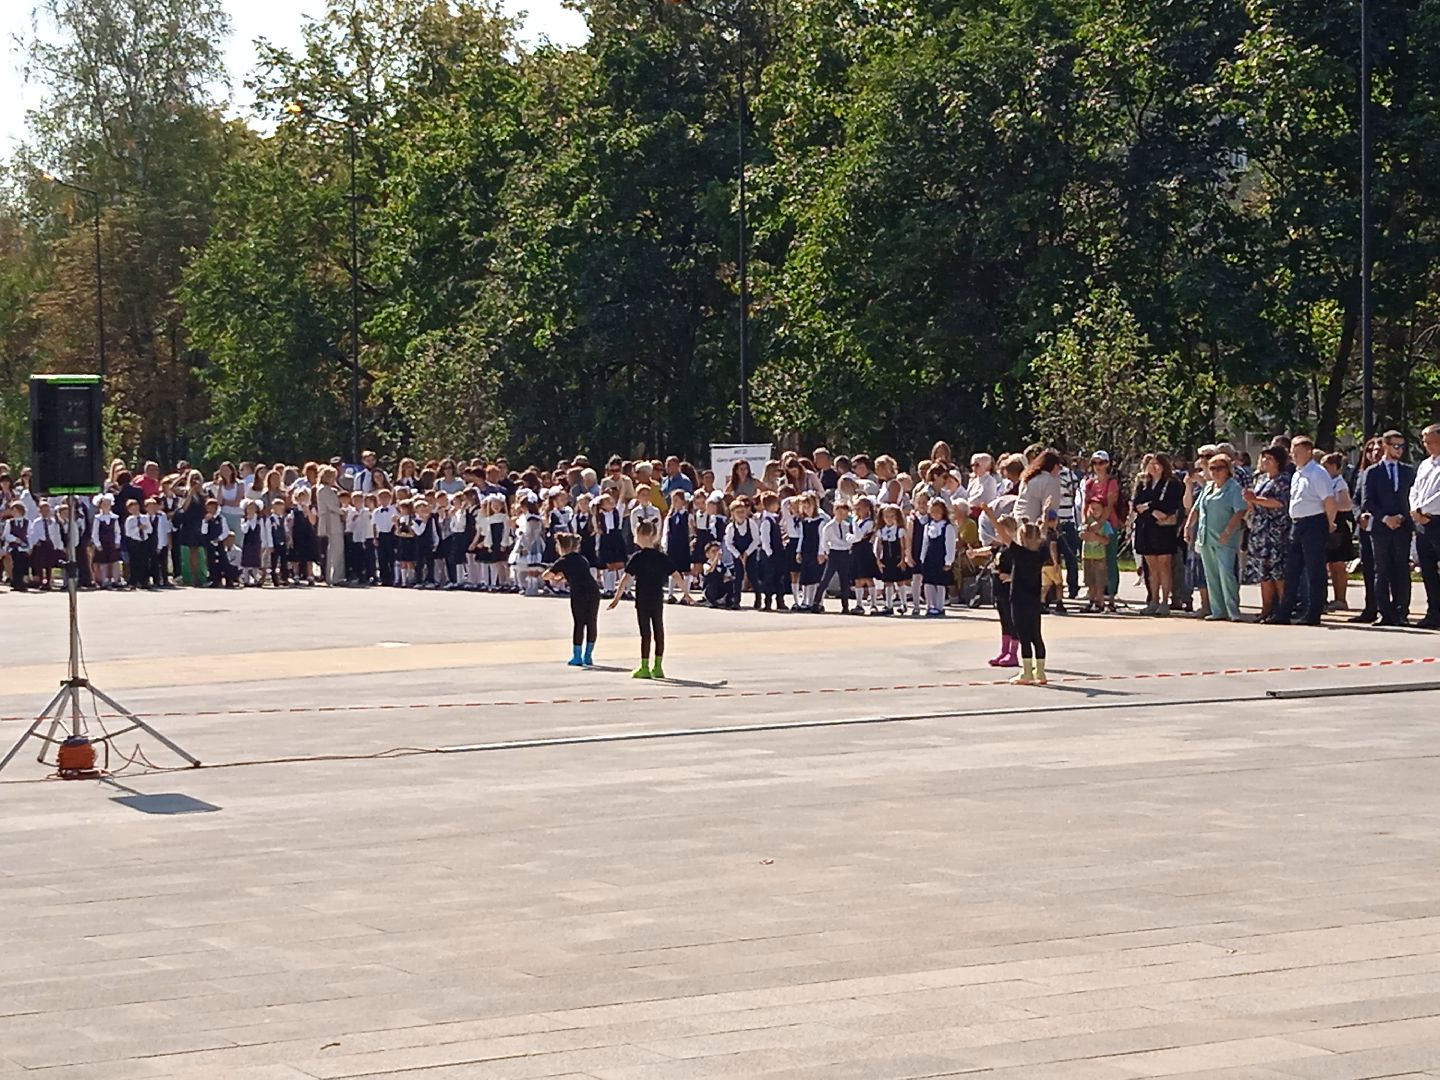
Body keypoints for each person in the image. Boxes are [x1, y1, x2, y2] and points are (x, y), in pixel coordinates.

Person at [979, 508, 1050, 685]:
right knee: (1036, 636)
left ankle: (1026, 672)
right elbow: (1044, 534)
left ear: (1022, 539)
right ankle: (1040, 671)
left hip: (1019, 600)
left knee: (1024, 636)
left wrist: (990, 515)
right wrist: (1045, 516)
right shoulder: (1041, 554)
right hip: (1034, 600)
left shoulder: (1019, 553)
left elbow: (1003, 534)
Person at [1272, 436, 1337, 627]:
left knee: (1315, 571)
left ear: (1309, 452)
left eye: (1297, 451)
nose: (1293, 455)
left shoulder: (1317, 473)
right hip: (1298, 524)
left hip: (1314, 523)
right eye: (1292, 451)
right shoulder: (1297, 473)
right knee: (1292, 570)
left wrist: (1329, 524)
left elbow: (1329, 501)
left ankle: (1314, 613)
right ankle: (1285, 612)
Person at [1361, 430, 1416, 627]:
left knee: (1401, 569)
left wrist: (1401, 517)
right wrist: (1385, 518)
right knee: (1381, 570)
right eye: (1395, 446)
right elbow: (1368, 500)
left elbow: (1412, 497)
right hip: (1381, 528)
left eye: (1402, 446)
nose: (1399, 450)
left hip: (1402, 526)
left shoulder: (1408, 470)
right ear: (1385, 446)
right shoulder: (1372, 472)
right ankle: (1384, 612)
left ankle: (1401, 611)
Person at [608, 519, 671, 679]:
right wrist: (687, 593)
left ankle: (644, 666)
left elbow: (625, 578)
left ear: (641, 535)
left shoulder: (637, 557)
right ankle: (658, 666)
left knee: (646, 632)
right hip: (657, 597)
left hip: (643, 598)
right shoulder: (661, 557)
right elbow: (676, 574)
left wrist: (617, 597)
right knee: (659, 630)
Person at [1190, 453, 1247, 621]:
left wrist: (1229, 530)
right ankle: (1217, 610)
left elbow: (1240, 510)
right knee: (1211, 574)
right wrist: (1188, 526)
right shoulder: (1208, 487)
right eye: (1212, 468)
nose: (1215, 472)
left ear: (1227, 470)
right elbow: (1197, 507)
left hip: (1225, 537)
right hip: (1206, 536)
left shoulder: (1233, 487)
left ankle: (1233, 610)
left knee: (1226, 573)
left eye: (1219, 468)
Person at [1242, 446, 1291, 622]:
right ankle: (1266, 608)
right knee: (1263, 572)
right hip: (1259, 531)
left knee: (1278, 572)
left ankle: (1283, 609)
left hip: (1277, 531)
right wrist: (1250, 501)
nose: (1264, 461)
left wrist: (1255, 499)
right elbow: (1255, 502)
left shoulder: (1283, 480)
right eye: (1263, 458)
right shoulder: (1260, 479)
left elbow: (1279, 503)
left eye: (1269, 458)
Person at [1132, 453, 1183, 615]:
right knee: (1151, 567)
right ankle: (1153, 600)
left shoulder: (1172, 483)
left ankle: (1165, 601)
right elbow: (1136, 504)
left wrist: (1151, 507)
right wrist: (1151, 508)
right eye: (1151, 464)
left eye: (1157, 464)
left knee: (1164, 566)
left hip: (1163, 529)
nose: (1153, 467)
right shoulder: (1143, 483)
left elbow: (1168, 505)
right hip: (1145, 527)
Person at [545, 532, 602, 667]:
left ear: (561, 547)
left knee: (579, 623)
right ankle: (588, 655)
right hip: (593, 591)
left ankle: (577, 655)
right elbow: (579, 573)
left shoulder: (563, 561)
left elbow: (546, 575)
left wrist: (555, 577)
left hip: (579, 593)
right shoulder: (582, 559)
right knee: (591, 622)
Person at [1349, 437, 1386, 623]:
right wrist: (1358, 516)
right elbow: (1355, 500)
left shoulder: (1388, 472)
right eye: (1371, 450)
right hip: (1365, 528)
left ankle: (1387, 607)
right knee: (1369, 569)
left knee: (1386, 569)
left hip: (1385, 527)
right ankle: (1370, 607)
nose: (1375, 453)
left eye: (1379, 450)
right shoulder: (1362, 474)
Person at [1410, 422, 1440, 629]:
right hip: (1422, 524)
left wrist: (1424, 510)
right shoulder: (1425, 465)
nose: (1426, 444)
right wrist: (1415, 509)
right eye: (1424, 441)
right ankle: (1434, 612)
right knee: (1427, 569)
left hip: (1437, 519)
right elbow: (1415, 489)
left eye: (1430, 441)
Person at [1321, 452, 1356, 613]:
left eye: (1326, 466)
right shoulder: (1325, 482)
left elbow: (1346, 505)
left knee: (1338, 564)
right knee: (1329, 564)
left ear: (1335, 467)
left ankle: (1341, 598)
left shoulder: (1339, 483)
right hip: (1327, 522)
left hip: (1338, 525)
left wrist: (1330, 505)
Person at [815, 500, 858, 614]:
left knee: (845, 580)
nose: (842, 515)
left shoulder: (847, 526)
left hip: (844, 553)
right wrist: (828, 552)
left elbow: (850, 538)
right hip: (834, 553)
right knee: (825, 579)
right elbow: (824, 541)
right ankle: (816, 602)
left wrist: (849, 546)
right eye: (840, 513)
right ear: (835, 512)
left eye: (844, 513)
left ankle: (845, 606)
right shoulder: (829, 526)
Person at [917, 498, 956, 617]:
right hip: (930, 558)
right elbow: (925, 542)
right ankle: (930, 605)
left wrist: (949, 560)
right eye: (932, 511)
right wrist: (922, 558)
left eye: (938, 511)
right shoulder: (928, 526)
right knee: (928, 583)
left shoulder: (947, 527)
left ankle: (939, 606)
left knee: (939, 583)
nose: (935, 514)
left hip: (941, 558)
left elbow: (950, 544)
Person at [874, 502, 911, 615]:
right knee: (888, 582)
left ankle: (904, 604)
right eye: (886, 517)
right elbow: (879, 545)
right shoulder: (882, 531)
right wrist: (878, 560)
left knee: (900, 582)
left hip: (897, 558)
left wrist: (903, 559)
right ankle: (888, 605)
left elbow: (902, 545)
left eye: (892, 516)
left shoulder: (899, 530)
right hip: (886, 558)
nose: (889, 519)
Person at [1079, 498, 1114, 613]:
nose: (1094, 511)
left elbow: (1107, 541)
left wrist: (1097, 536)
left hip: (1099, 556)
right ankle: (1091, 601)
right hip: (1087, 555)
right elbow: (1081, 535)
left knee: (1100, 582)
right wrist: (1086, 531)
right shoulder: (1086, 522)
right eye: (1092, 509)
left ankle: (1100, 602)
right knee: (1090, 581)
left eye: (1097, 509)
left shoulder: (1105, 524)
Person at [662, 491, 695, 604]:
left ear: (683, 501)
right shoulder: (671, 516)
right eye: (673, 500)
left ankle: (686, 595)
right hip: (673, 546)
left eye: (677, 500)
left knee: (685, 570)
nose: (674, 503)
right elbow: (666, 531)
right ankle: (671, 594)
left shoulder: (688, 515)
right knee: (672, 570)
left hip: (683, 546)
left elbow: (691, 531)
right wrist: (665, 544)